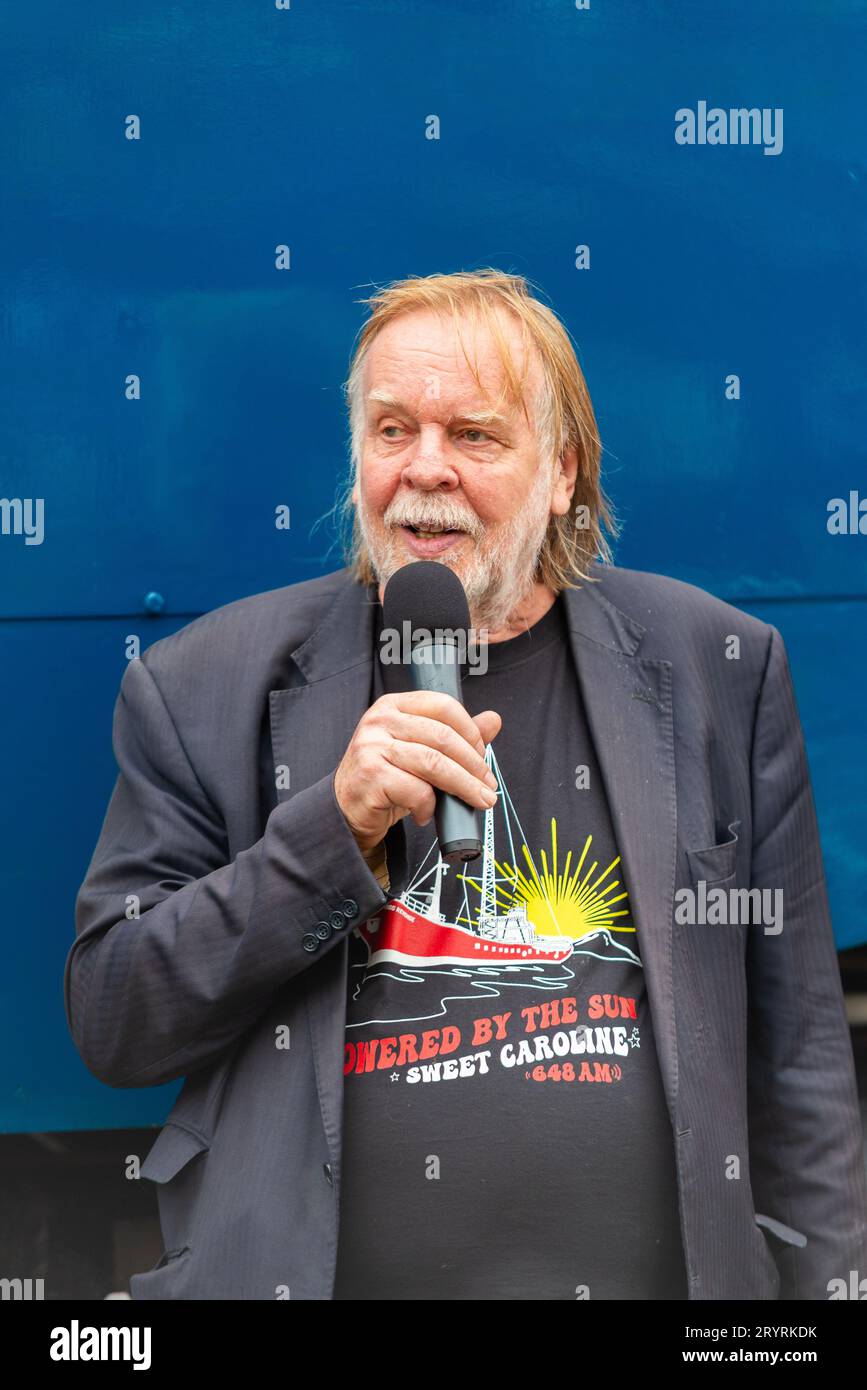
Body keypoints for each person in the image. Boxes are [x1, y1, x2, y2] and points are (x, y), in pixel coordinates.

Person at [66, 268, 867, 1300]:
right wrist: (329, 837)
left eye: (475, 435)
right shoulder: (202, 686)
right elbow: (115, 1016)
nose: (423, 470)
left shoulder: (720, 664)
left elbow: (801, 1063)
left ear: (563, 471)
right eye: (391, 430)